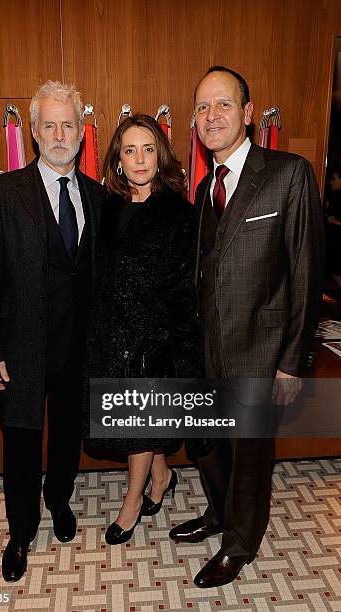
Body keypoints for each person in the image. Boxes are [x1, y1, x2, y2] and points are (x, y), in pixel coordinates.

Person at [169, 66, 324, 588]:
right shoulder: (203, 186)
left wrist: (292, 361)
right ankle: (219, 513)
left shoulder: (288, 173)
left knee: (251, 456)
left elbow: (305, 270)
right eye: (202, 107)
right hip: (207, 350)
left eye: (223, 104)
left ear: (248, 113)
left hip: (261, 352)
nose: (211, 116)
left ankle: (240, 543)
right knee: (209, 445)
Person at [0, 81, 105, 582]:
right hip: (21, 349)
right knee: (22, 441)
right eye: (49, 124)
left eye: (68, 124)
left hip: (78, 347)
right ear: (33, 131)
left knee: (68, 435)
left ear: (81, 131)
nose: (59, 133)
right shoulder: (2, 193)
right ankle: (21, 530)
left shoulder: (97, 196)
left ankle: (60, 500)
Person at [87, 114, 200, 545]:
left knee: (137, 423)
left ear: (161, 155)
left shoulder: (180, 214)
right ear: (118, 159)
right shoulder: (107, 208)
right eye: (130, 150)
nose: (139, 159)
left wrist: (172, 341)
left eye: (148, 149)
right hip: (111, 334)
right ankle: (162, 474)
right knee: (138, 426)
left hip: (156, 339)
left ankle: (131, 503)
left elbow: (186, 286)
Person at [325, 164, 341, 287]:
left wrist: (336, 221)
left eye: (334, 179)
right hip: (333, 241)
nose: (331, 182)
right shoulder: (334, 196)